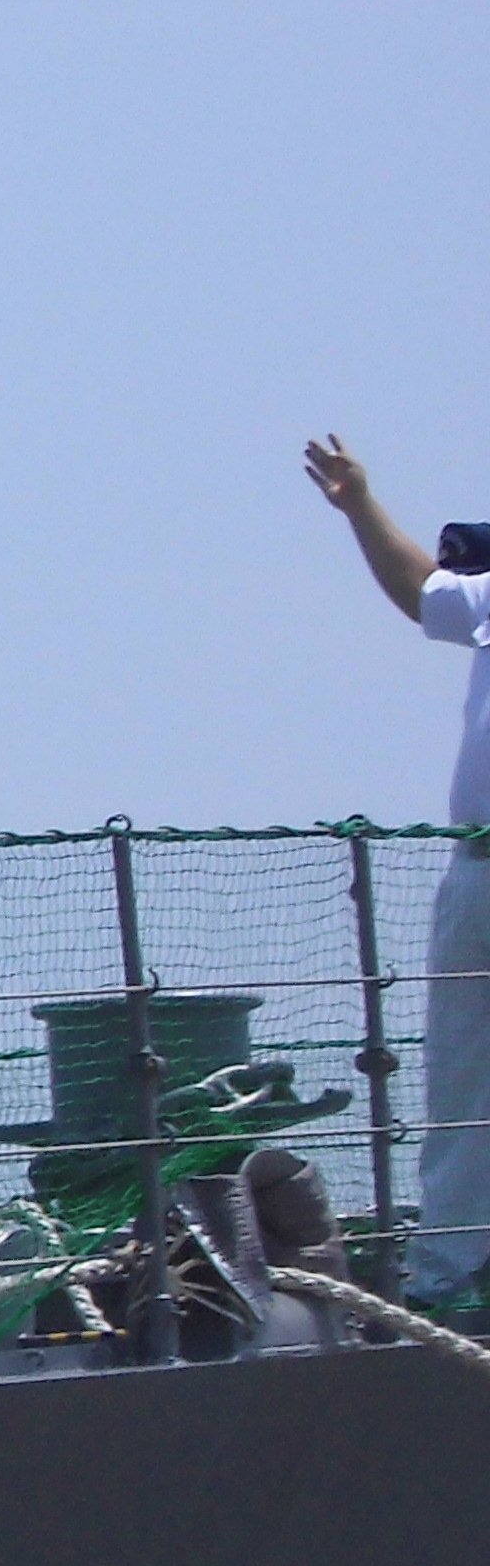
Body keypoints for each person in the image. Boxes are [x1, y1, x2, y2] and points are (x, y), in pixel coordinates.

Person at [303, 434, 490, 1309]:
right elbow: (425, 594)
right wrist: (358, 505)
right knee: (462, 1080)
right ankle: (449, 1277)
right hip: (478, 868)